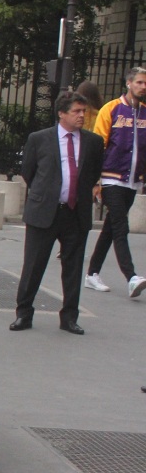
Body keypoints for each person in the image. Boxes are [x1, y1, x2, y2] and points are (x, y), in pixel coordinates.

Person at [11, 91, 104, 335]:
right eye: (76, 111)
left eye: (84, 111)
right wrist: (48, 193)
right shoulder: (39, 139)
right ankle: (24, 314)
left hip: (76, 212)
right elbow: (28, 171)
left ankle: (69, 318)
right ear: (61, 113)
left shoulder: (93, 142)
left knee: (73, 267)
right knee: (34, 265)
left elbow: (93, 172)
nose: (82, 115)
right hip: (44, 211)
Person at [85, 67, 146, 299]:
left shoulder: (145, 113)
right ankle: (131, 277)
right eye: (139, 82)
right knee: (121, 226)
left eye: (145, 83)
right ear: (129, 83)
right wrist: (95, 180)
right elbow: (98, 146)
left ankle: (92, 274)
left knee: (110, 228)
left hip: (132, 181)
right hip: (111, 178)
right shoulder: (110, 109)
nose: (143, 87)